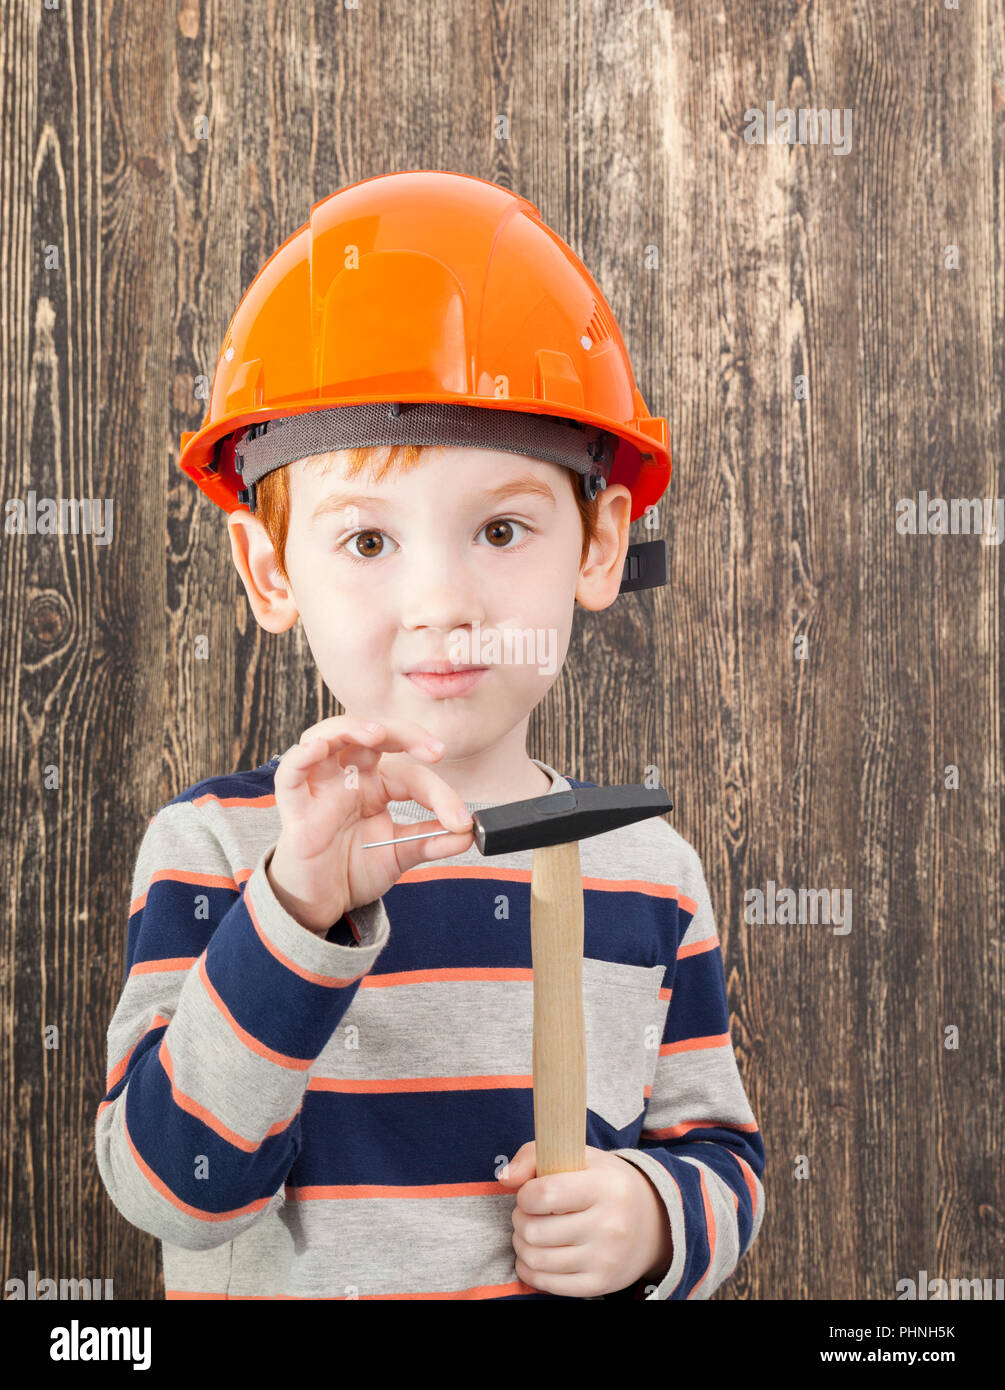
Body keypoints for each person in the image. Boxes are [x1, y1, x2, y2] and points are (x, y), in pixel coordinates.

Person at [94, 171, 765, 1299]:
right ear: (270, 570)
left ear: (599, 547)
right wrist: (297, 916)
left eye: (502, 528)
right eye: (366, 543)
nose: (442, 601)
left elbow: (723, 1160)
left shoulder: (652, 877)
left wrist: (651, 1219)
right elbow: (170, 1191)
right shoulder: (213, 853)